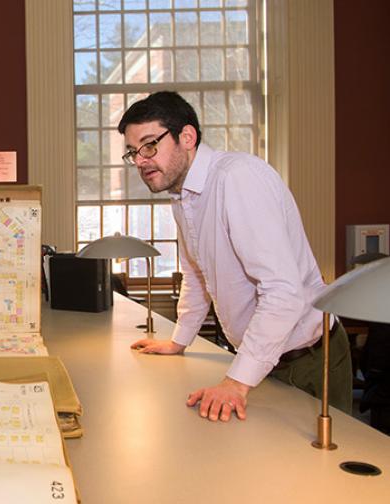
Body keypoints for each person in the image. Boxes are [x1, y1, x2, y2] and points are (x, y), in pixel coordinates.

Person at [120, 91, 352, 423]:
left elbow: (283, 292)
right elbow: (197, 275)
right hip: (260, 359)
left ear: (187, 137)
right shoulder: (182, 197)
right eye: (133, 152)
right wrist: (179, 340)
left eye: (149, 145)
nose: (140, 161)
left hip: (308, 360)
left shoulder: (237, 177)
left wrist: (236, 382)